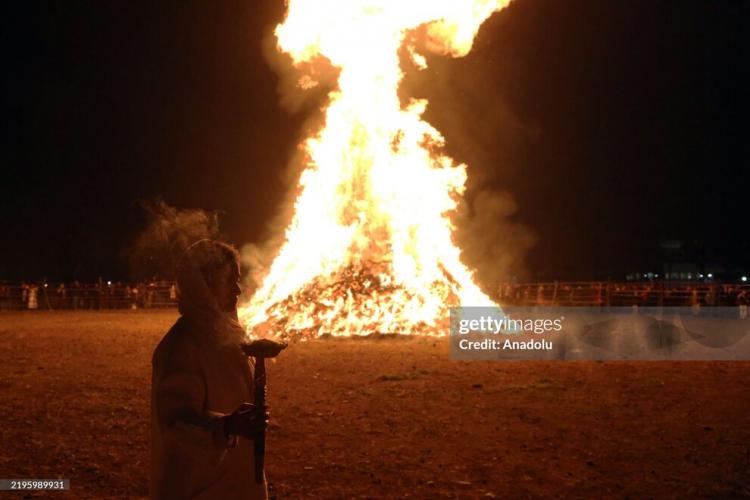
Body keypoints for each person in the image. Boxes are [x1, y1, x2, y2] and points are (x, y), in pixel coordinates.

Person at [151, 240, 286, 500]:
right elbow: (176, 420)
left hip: (236, 483)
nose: (238, 289)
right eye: (229, 281)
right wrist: (227, 425)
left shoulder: (225, 338)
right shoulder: (183, 346)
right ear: (205, 286)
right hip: (201, 488)